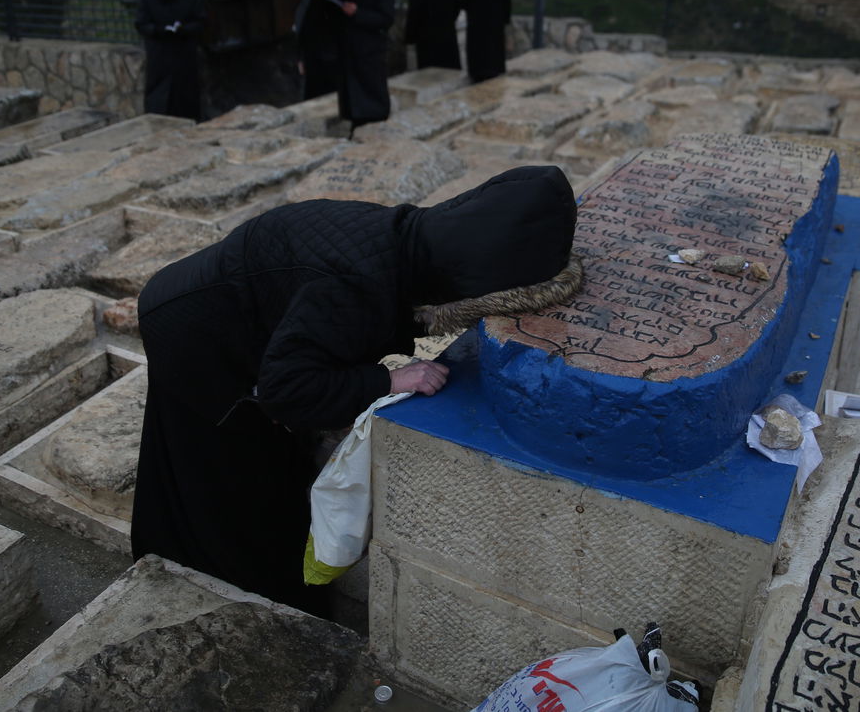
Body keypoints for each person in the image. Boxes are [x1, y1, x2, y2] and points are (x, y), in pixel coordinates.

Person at [130, 165, 582, 615]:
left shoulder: (403, 239)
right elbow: (284, 389)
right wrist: (390, 379)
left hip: (203, 302)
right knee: (228, 481)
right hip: (194, 336)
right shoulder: (358, 289)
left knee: (217, 456)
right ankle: (235, 600)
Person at [331, 0, 395, 132]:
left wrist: (358, 13)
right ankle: (356, 120)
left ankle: (373, 121)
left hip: (370, 48)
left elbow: (385, 18)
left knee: (372, 87)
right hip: (350, 46)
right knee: (353, 89)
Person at [135, 0, 206, 119]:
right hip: (160, 58)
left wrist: (184, 29)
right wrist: (159, 30)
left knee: (186, 99)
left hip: (184, 57)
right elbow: (141, 24)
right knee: (160, 101)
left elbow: (201, 22)